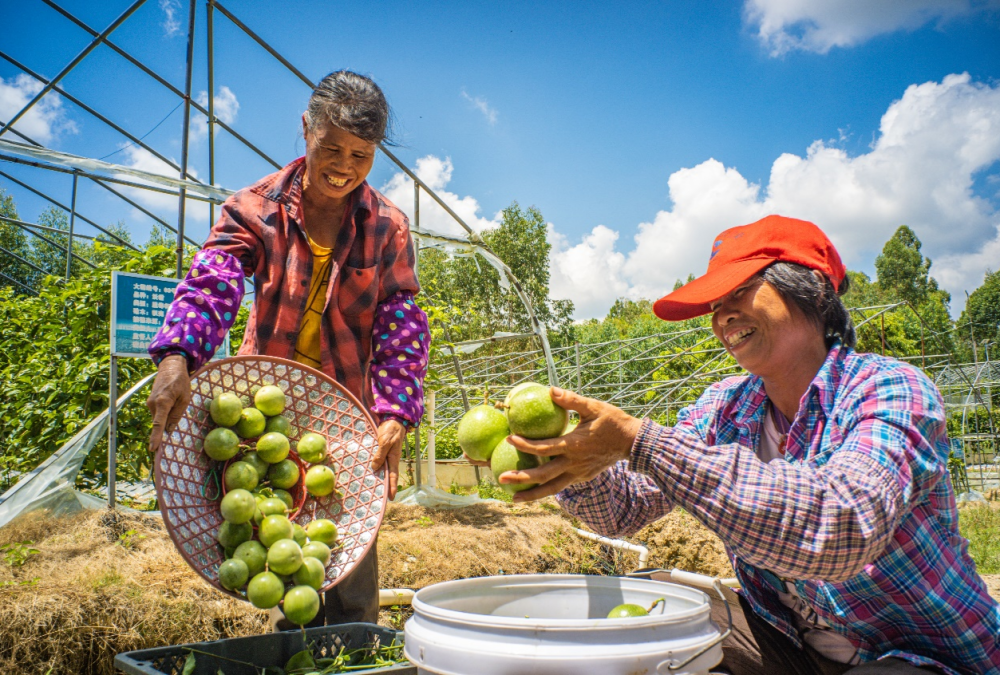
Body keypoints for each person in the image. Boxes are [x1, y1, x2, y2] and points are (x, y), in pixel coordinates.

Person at [499, 215, 1000, 674]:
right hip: (792, 643)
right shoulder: (726, 407)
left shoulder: (890, 389)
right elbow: (624, 509)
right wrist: (572, 457)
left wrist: (640, 441)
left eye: (739, 292)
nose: (723, 318)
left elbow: (841, 528)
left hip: (924, 654)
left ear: (809, 291)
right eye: (715, 306)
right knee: (654, 610)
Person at [145, 70, 429, 628]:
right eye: (332, 148)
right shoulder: (254, 208)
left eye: (361, 155)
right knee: (271, 538)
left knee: (348, 550)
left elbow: (401, 320)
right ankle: (289, 650)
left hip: (344, 410)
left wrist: (396, 412)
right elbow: (213, 281)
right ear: (306, 129)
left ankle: (355, 650)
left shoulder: (388, 224)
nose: (344, 166)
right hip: (265, 409)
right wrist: (178, 355)